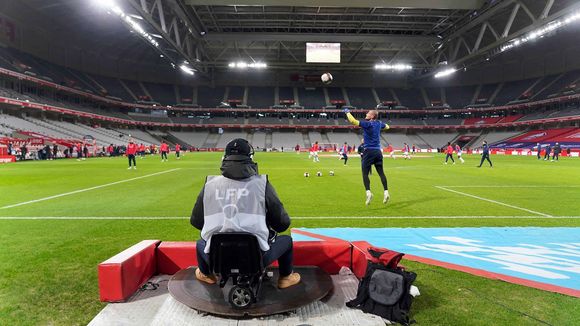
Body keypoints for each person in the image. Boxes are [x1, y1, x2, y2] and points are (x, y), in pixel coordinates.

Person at [190, 138, 300, 289]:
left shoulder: (209, 185)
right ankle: (286, 278)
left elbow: (196, 222)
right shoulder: (262, 184)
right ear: (250, 159)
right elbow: (282, 224)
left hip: (218, 258)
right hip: (256, 258)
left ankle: (206, 274)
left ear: (224, 159)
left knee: (200, 243)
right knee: (286, 241)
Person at [344, 108, 390, 205]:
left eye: (368, 113)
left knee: (365, 174)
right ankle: (386, 192)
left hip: (368, 151)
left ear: (372, 116)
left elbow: (353, 121)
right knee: (381, 173)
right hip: (378, 151)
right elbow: (387, 127)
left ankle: (368, 192)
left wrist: (347, 112)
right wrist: (381, 127)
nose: (366, 114)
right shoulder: (378, 123)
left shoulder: (367, 124)